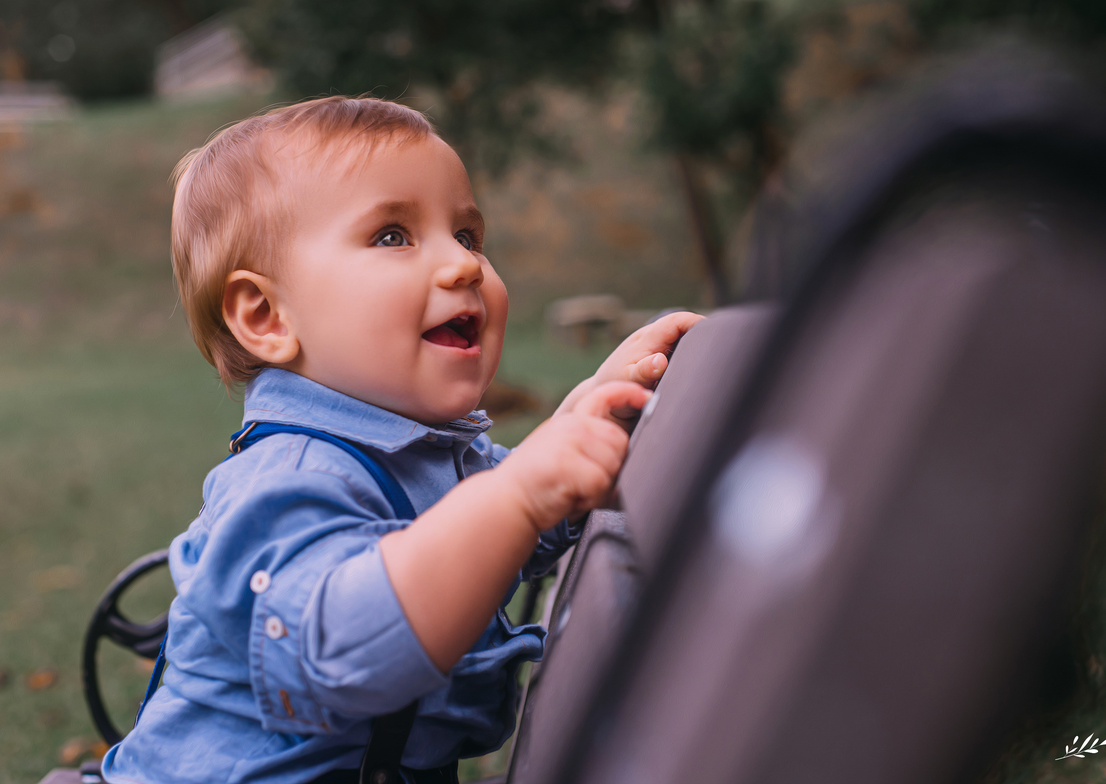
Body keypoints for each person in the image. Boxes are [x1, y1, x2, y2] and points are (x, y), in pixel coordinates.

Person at [102, 96, 701, 784]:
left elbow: (511, 534)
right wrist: (515, 495)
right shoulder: (287, 481)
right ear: (267, 315)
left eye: (469, 236)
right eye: (393, 235)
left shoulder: (426, 452)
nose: (463, 265)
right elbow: (347, 657)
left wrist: (585, 421)